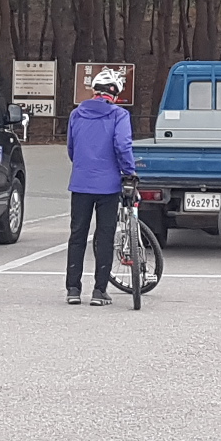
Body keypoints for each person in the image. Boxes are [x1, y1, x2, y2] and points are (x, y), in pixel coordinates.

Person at [64, 67, 137, 306]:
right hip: (108, 185)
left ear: (95, 91)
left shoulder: (76, 114)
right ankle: (99, 291)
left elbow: (71, 148)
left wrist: (84, 165)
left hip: (81, 182)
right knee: (105, 236)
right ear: (114, 93)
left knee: (77, 235)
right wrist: (129, 171)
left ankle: (73, 289)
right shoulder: (119, 115)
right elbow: (123, 145)